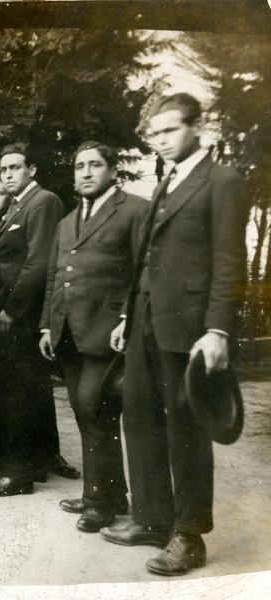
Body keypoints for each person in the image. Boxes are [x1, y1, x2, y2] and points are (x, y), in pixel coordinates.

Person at [101, 93, 248, 576]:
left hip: (188, 326)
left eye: (170, 130)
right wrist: (127, 315)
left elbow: (230, 263)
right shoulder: (166, 181)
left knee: (186, 430)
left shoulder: (222, 181)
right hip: (144, 318)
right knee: (139, 417)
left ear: (196, 126)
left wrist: (218, 329)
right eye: (155, 133)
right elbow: (145, 259)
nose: (161, 140)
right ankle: (151, 519)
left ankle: (189, 535)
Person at [38, 141, 148, 532]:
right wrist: (49, 325)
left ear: (112, 170)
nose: (85, 172)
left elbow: (144, 270)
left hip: (107, 334)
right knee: (87, 415)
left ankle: (99, 503)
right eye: (79, 165)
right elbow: (55, 276)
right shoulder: (67, 222)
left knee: (94, 409)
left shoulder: (134, 210)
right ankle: (109, 494)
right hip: (69, 333)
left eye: (95, 165)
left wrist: (126, 318)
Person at [0, 142, 78, 498]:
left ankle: (16, 475)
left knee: (17, 392)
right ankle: (33, 463)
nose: (8, 175)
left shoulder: (43, 202)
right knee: (26, 390)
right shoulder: (19, 205)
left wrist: (12, 309)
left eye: (15, 168)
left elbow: (38, 263)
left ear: (31, 170)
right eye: (4, 169)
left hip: (23, 315)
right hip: (14, 311)